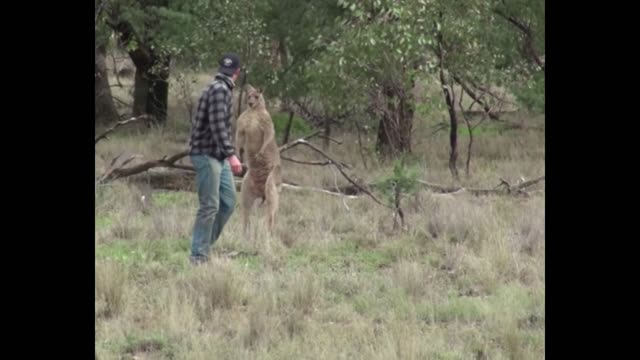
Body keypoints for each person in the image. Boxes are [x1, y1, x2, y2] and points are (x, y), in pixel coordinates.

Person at [188, 53, 243, 264]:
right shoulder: (220, 90)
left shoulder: (220, 88)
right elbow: (218, 126)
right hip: (206, 154)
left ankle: (202, 245)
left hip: (217, 155)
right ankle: (198, 256)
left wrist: (226, 154)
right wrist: (232, 155)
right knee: (209, 206)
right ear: (236, 73)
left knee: (228, 202)